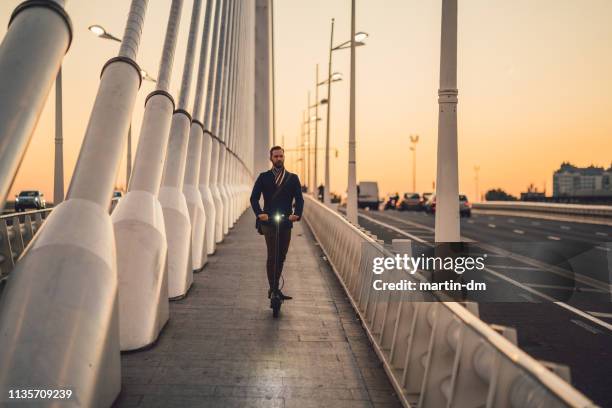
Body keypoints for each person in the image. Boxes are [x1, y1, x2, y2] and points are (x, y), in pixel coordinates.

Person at [250, 146, 304, 302]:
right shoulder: (263, 177)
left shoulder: (292, 178)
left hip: (286, 221)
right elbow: (254, 198)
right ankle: (273, 289)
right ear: (271, 158)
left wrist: (297, 214)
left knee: (282, 255)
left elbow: (299, 199)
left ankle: (275, 288)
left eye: (281, 156)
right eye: (276, 156)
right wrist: (260, 213)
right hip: (268, 221)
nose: (278, 159)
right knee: (273, 254)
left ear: (284, 157)